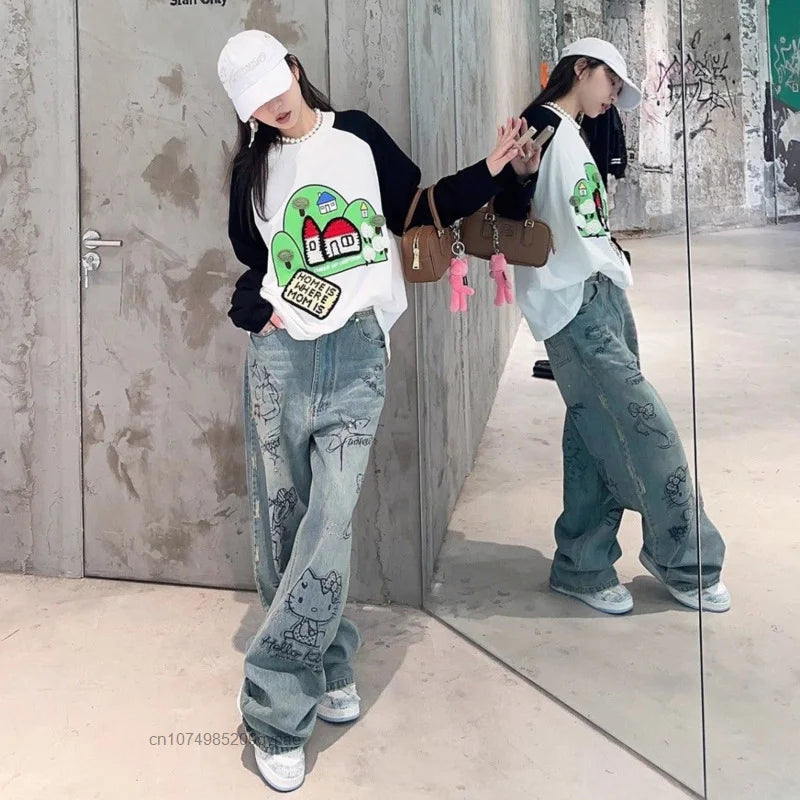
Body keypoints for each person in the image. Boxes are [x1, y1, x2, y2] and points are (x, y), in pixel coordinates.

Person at [217, 29, 532, 792]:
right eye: (255, 101)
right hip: (281, 359)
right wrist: (251, 304)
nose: (272, 106)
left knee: (329, 520)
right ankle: (323, 661)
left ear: (296, 69)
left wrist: (490, 171)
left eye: (276, 86)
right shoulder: (252, 169)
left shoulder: (354, 135)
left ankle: (273, 707)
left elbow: (418, 208)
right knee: (284, 524)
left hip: (357, 353)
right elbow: (256, 261)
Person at [494, 38, 729, 616]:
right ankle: (689, 560)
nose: (613, 96)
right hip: (572, 303)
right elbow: (507, 209)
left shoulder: (572, 130)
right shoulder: (540, 125)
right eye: (611, 83)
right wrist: (520, 177)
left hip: (602, 291)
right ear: (581, 69)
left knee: (593, 430)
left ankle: (581, 562)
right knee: (647, 426)